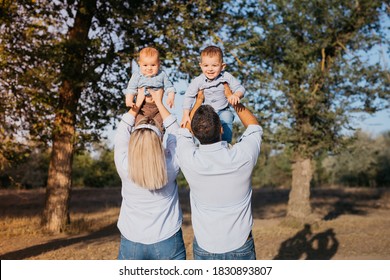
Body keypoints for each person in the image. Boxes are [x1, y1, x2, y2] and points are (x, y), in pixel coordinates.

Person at [176, 85, 263, 260]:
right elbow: (254, 127)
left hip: (205, 246)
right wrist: (232, 99)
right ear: (222, 130)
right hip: (241, 245)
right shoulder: (242, 156)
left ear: (194, 132)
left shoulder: (188, 159)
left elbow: (184, 130)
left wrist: (198, 100)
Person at [114, 87, 185, 260]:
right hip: (167, 239)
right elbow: (177, 134)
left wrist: (137, 105)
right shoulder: (169, 166)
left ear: (134, 140)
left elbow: (123, 128)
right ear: (159, 140)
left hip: (131, 241)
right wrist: (159, 103)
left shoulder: (124, 165)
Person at [180, 45, 245, 143]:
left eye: (214, 65)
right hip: (207, 112)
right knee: (200, 124)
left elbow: (240, 88)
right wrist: (186, 114)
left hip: (223, 110)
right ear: (201, 66)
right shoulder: (198, 81)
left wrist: (236, 95)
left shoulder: (226, 76)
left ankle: (226, 143)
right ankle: (200, 144)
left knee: (227, 118)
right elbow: (189, 96)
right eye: (206, 66)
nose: (210, 69)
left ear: (222, 66)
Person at [123, 47, 176, 133]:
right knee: (140, 126)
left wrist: (171, 96)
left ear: (158, 64)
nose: (149, 68)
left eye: (153, 65)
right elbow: (131, 89)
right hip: (142, 108)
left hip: (157, 108)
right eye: (145, 65)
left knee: (159, 125)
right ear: (139, 64)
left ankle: (158, 140)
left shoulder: (162, 75)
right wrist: (129, 100)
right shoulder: (137, 76)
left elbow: (169, 87)